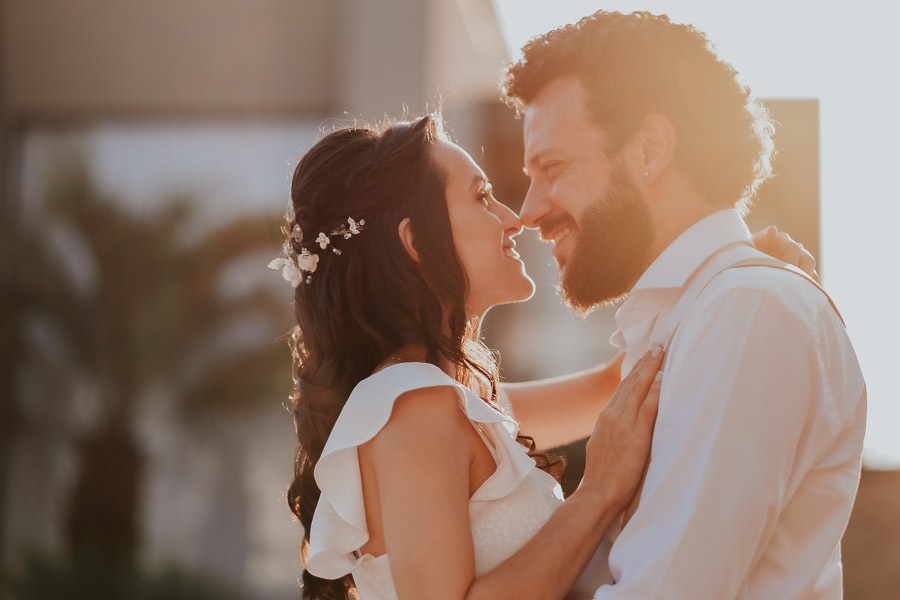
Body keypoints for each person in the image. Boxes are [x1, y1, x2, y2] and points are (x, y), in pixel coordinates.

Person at [277, 114, 818, 600]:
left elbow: (620, 384)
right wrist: (599, 492)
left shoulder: (456, 402)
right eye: (482, 197)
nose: (514, 218)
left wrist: (726, 269)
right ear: (416, 240)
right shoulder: (412, 408)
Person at [501, 10, 866, 599]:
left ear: (650, 148)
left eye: (553, 167)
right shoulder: (711, 313)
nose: (529, 210)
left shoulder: (745, 310)